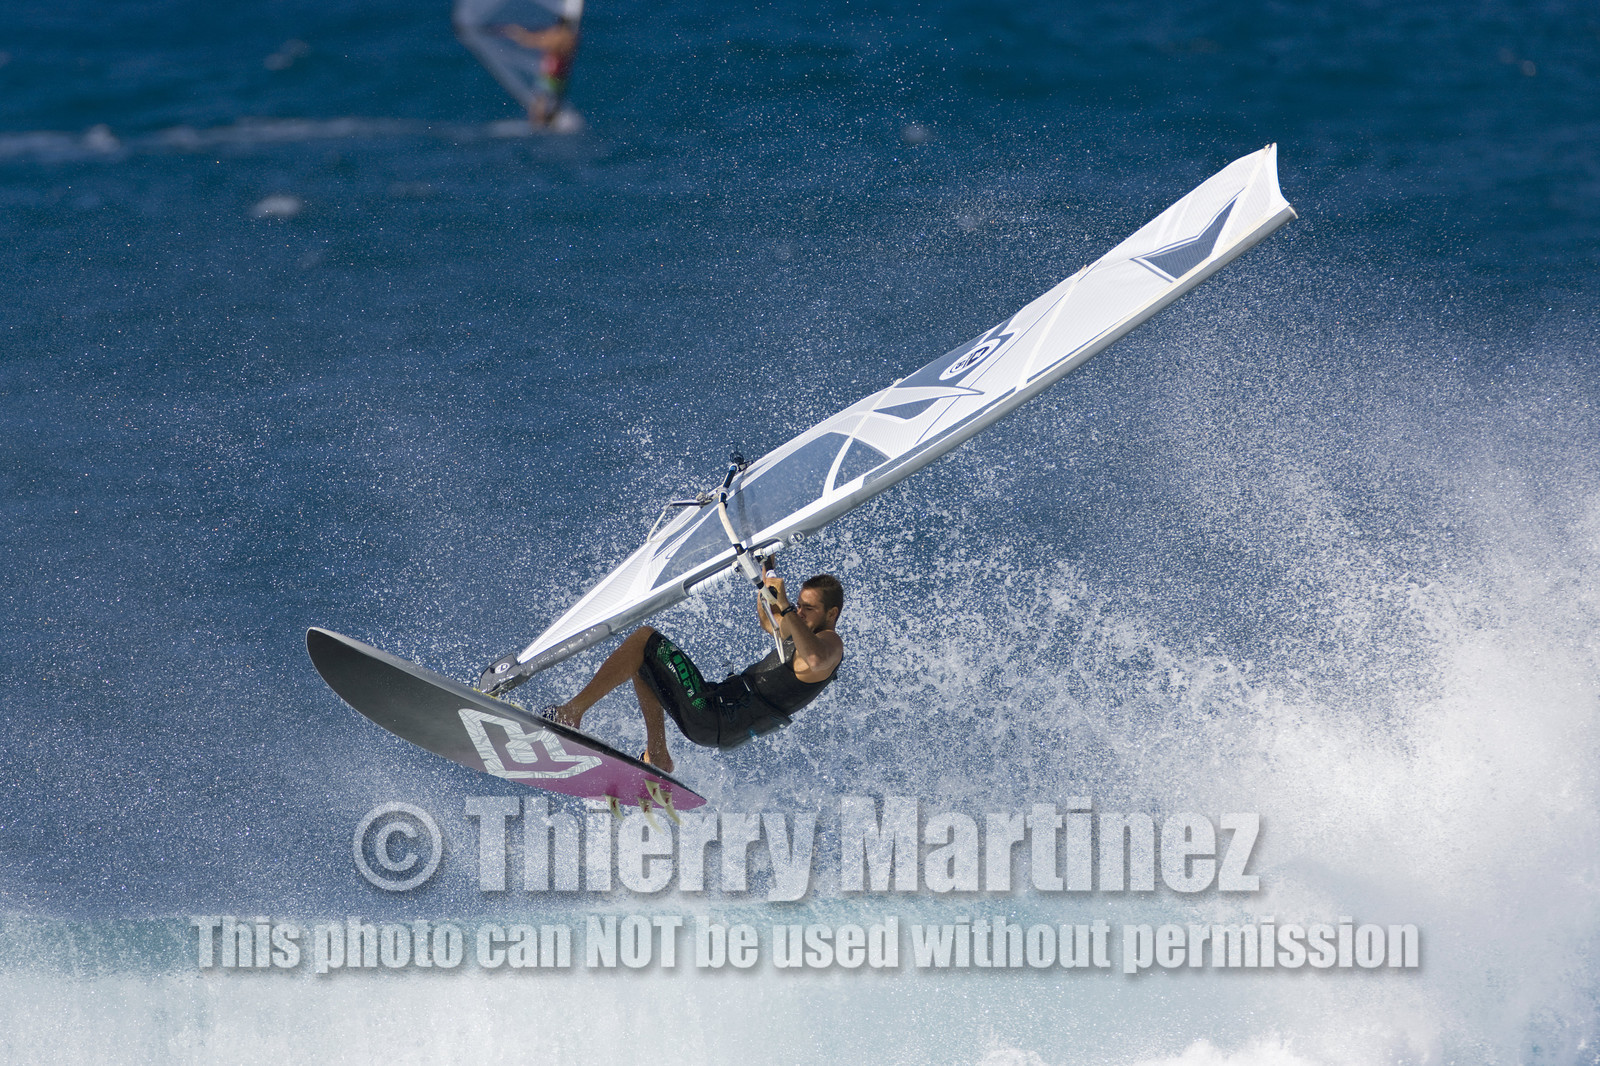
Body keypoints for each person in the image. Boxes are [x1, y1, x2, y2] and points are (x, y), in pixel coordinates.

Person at [548, 564, 844, 773]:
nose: (800, 612)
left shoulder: (829, 644)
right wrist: (763, 575)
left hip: (718, 715)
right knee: (642, 663)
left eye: (809, 608)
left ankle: (571, 714)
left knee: (643, 639)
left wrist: (788, 606)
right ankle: (658, 755)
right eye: (800, 605)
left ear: (832, 614)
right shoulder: (806, 634)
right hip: (719, 716)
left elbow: (815, 659)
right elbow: (771, 622)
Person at [497, 17, 579, 127]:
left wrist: (519, 34)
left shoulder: (558, 37)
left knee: (539, 104)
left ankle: (539, 127)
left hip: (550, 76)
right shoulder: (572, 38)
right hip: (562, 76)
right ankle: (550, 123)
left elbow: (536, 42)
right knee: (553, 103)